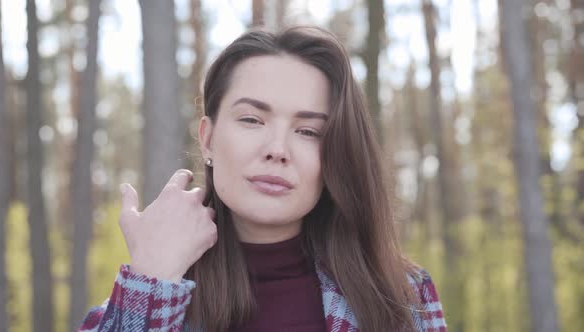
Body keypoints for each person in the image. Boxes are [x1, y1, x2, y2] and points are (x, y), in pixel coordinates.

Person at [78, 26, 446, 332]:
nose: (277, 149)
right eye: (252, 120)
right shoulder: (147, 294)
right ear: (207, 138)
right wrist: (153, 275)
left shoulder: (402, 300)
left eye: (308, 131)